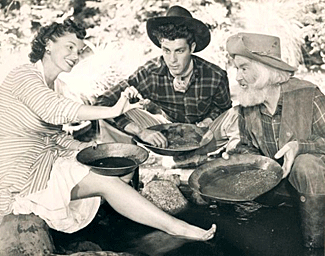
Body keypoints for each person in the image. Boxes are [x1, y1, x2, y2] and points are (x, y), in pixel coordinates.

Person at [0, 18, 216, 240]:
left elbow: (54, 136)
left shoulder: (57, 84)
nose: (75, 56)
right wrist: (112, 111)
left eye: (79, 50)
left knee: (123, 164)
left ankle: (108, 228)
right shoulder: (23, 75)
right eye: (70, 47)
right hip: (21, 178)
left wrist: (85, 146)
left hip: (44, 162)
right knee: (107, 181)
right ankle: (177, 228)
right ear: (48, 44)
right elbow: (55, 110)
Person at [225, 32, 325, 248]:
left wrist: (300, 147)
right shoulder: (248, 104)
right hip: (281, 192)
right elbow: (248, 147)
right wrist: (237, 157)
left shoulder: (308, 95)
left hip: (318, 191)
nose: (238, 77)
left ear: (265, 72)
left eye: (244, 68)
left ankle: (316, 246)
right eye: (236, 69)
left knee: (305, 164)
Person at [95, 5, 237, 156]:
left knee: (238, 115)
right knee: (106, 114)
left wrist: (208, 121)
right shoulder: (150, 73)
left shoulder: (215, 75)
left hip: (205, 134)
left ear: (192, 48)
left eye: (179, 51)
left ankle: (230, 163)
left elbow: (224, 109)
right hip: (166, 134)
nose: (172, 60)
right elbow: (102, 102)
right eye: (166, 51)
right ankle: (122, 169)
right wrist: (141, 132)